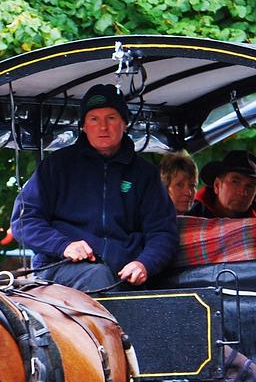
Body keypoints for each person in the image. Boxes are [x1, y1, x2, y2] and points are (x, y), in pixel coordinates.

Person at [12, 84, 178, 291]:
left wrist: (144, 263)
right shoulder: (57, 165)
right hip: (59, 270)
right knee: (97, 275)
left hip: (124, 276)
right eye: (94, 119)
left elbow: (163, 232)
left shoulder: (145, 173)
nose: (103, 127)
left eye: (111, 118)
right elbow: (24, 220)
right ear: (83, 125)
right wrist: (63, 246)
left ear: (124, 123)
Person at [189, 149, 256, 219]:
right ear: (217, 185)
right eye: (235, 182)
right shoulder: (187, 216)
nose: (243, 192)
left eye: (250, 186)